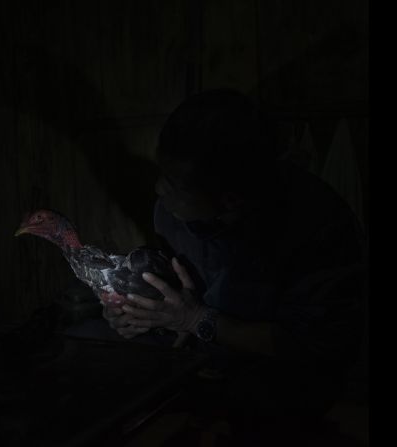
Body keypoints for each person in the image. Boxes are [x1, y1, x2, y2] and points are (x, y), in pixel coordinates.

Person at [102, 89, 367, 442]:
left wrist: (196, 320)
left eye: (175, 184)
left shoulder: (316, 223)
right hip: (206, 377)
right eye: (160, 172)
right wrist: (143, 315)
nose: (158, 188)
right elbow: (181, 295)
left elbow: (314, 345)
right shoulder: (171, 212)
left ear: (231, 199)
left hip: (289, 395)